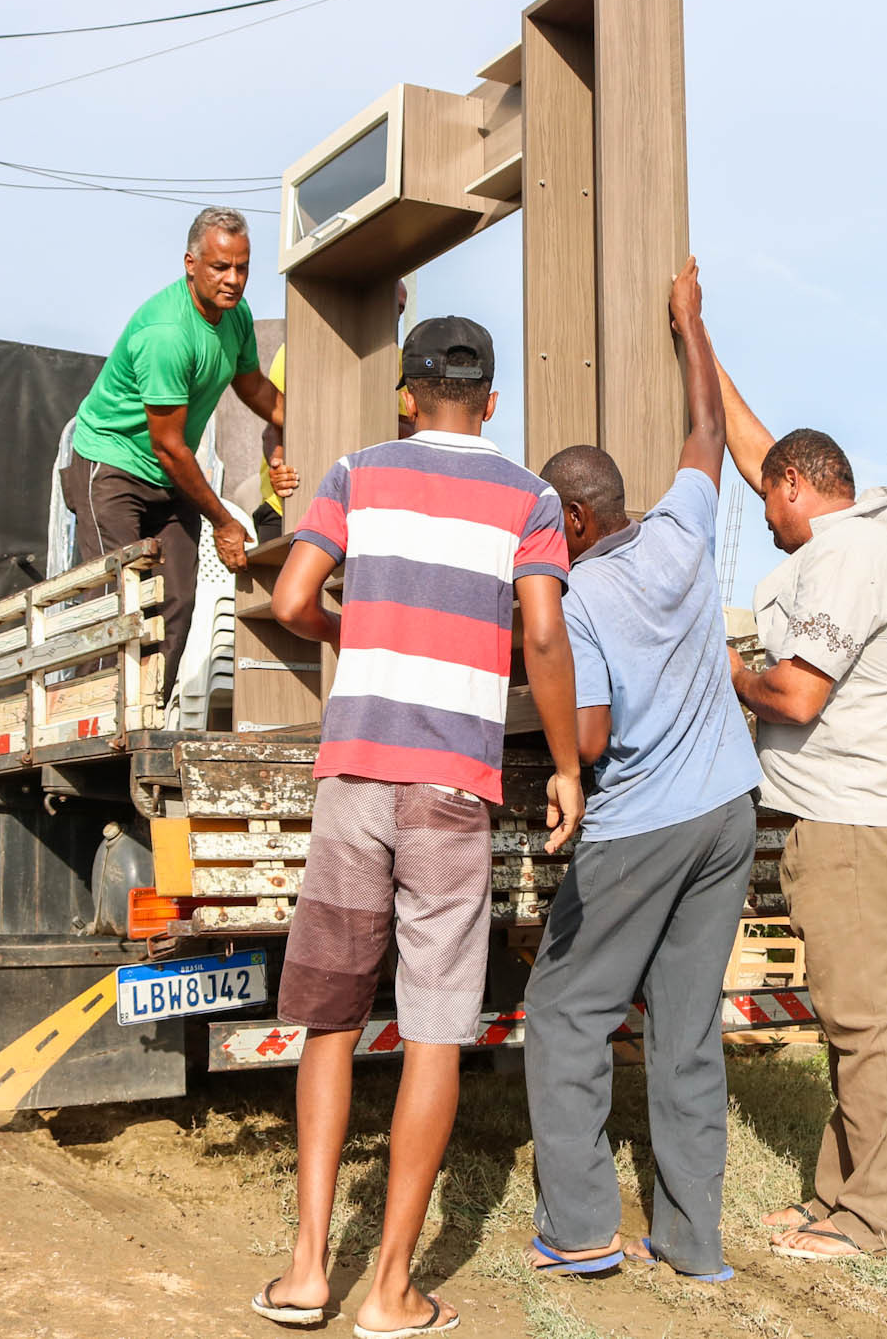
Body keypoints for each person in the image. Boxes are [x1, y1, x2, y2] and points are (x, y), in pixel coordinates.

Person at [255, 315, 585, 1337]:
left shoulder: (355, 472)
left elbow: (291, 593)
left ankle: (309, 1273)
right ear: (490, 403)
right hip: (451, 783)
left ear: (406, 393)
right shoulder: (527, 497)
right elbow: (539, 630)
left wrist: (357, 631)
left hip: (353, 768)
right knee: (436, 1024)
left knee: (328, 1019)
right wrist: (567, 763)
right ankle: (393, 1291)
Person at [524, 257, 763, 1283]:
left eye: (546, 522)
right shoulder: (680, 532)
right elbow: (706, 435)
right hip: (728, 810)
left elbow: (588, 735)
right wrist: (689, 327)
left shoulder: (576, 598)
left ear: (572, 519)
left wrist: (552, 740)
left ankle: (579, 1228)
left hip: (643, 826)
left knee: (567, 1009)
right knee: (686, 1022)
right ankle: (690, 1242)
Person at [710, 348, 887, 1261]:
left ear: (799, 490)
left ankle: (873, 1217)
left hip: (858, 821)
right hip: (855, 813)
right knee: (857, 1016)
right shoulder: (856, 533)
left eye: (770, 499)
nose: (764, 516)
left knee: (865, 1025)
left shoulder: (847, 557)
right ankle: (836, 1197)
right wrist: (702, 342)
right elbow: (758, 447)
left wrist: (726, 671)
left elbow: (799, 696)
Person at [62, 206, 297, 697]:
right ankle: (93, 725)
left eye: (243, 267)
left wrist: (301, 429)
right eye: (219, 267)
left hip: (171, 472)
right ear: (191, 263)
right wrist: (225, 522)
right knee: (118, 606)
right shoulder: (167, 333)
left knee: (178, 601)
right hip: (114, 465)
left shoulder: (235, 315)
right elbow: (168, 446)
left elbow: (252, 386)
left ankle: (146, 713)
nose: (233, 280)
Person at [257, 280, 411, 539]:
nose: (392, 316)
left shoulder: (402, 363)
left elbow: (412, 433)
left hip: (365, 515)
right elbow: (274, 424)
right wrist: (278, 467)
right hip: (289, 508)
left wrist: (362, 412)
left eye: (398, 309)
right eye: (385, 305)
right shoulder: (298, 350)